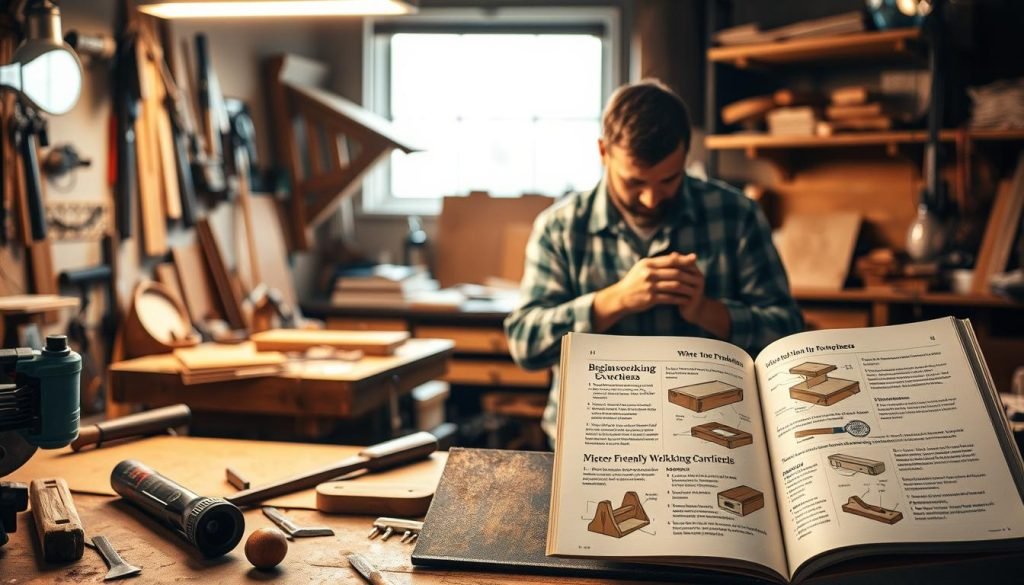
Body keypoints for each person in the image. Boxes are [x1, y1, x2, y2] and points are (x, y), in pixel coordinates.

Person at [504, 79, 804, 444]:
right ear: (603, 151)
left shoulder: (736, 215)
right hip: (591, 439)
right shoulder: (560, 228)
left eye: (668, 180)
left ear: (685, 155)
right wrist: (613, 301)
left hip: (710, 436)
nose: (650, 199)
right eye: (634, 182)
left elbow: (789, 336)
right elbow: (524, 344)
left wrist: (708, 312)